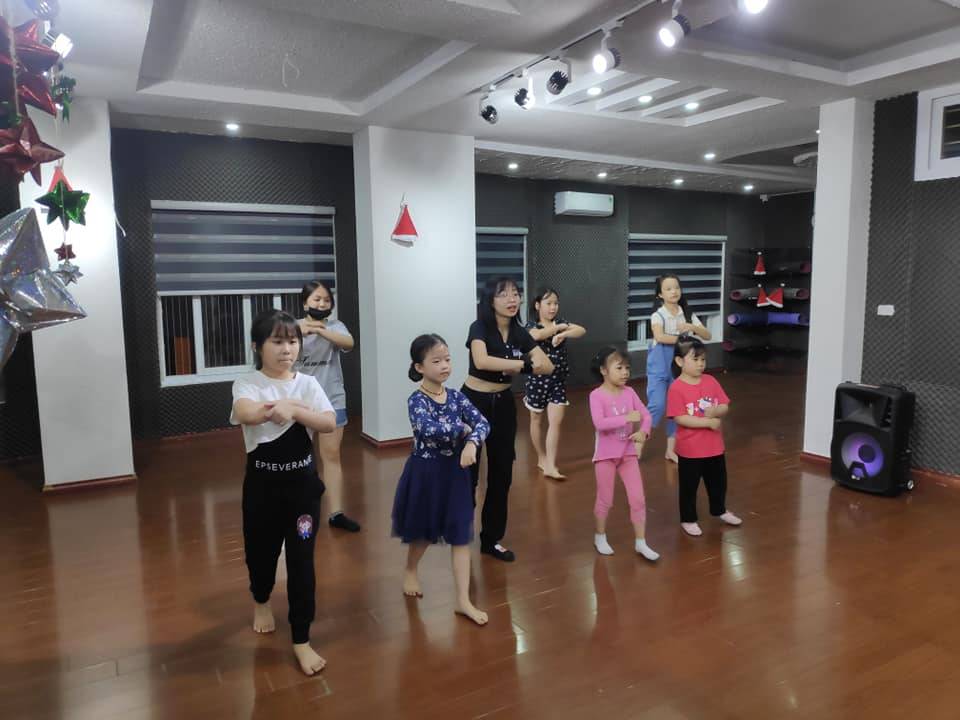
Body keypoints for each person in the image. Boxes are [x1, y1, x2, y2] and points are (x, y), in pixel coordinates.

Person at [230, 309, 337, 676]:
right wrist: (286, 406)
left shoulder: (308, 384)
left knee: (302, 561)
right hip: (262, 492)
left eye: (292, 341)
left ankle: (301, 638)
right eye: (277, 341)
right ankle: (261, 599)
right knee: (261, 555)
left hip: (303, 494)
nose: (286, 349)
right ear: (257, 346)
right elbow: (247, 413)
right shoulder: (248, 383)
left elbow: (328, 421)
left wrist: (293, 408)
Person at [392, 334, 490, 625]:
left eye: (447, 359)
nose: (445, 365)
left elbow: (483, 423)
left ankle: (463, 600)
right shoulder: (417, 400)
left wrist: (472, 443)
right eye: (436, 361)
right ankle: (411, 569)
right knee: (424, 531)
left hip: (456, 473)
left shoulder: (457, 397)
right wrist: (463, 430)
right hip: (426, 473)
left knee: (461, 533)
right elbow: (428, 429)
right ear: (419, 367)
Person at [462, 277, 554, 562]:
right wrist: (523, 364)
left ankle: (491, 539)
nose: (512, 299)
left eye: (515, 294)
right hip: (473, 403)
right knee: (467, 474)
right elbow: (482, 361)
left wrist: (520, 367)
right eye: (504, 295)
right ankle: (460, 535)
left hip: (502, 404)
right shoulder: (480, 327)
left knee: (501, 474)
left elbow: (547, 365)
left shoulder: (519, 333)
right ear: (491, 300)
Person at [297, 280, 361, 532]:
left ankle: (336, 513)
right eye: (316, 299)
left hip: (332, 399)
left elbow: (349, 343)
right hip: (300, 401)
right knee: (300, 459)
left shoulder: (336, 326)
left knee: (332, 456)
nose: (322, 303)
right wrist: (301, 330)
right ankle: (300, 513)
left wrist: (321, 330)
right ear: (305, 303)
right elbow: (276, 343)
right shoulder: (293, 326)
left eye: (326, 300)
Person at [666, 336, 742, 537]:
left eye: (703, 359)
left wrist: (716, 411)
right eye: (695, 359)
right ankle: (688, 518)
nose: (700, 364)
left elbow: (724, 405)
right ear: (679, 361)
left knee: (718, 482)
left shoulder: (711, 381)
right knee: (689, 486)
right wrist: (707, 423)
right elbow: (680, 417)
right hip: (690, 450)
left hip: (714, 446)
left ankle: (719, 510)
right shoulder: (676, 388)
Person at [588, 346, 659, 561]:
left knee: (638, 499)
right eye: (619, 368)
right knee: (605, 499)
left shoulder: (630, 392)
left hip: (628, 454)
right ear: (603, 370)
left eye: (627, 368)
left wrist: (644, 432)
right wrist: (627, 418)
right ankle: (600, 536)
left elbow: (646, 416)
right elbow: (599, 423)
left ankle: (641, 542)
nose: (625, 372)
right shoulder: (596, 396)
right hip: (605, 456)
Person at [646, 274, 712, 463]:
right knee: (657, 405)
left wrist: (692, 327)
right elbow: (660, 336)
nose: (674, 291)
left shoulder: (688, 314)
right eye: (668, 289)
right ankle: (636, 445)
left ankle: (670, 450)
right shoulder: (658, 315)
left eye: (676, 287)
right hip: (659, 366)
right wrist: (685, 340)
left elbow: (707, 335)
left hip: (681, 367)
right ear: (660, 294)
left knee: (678, 408)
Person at [523, 287, 586, 479]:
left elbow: (581, 330)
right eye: (548, 303)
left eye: (556, 303)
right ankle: (541, 457)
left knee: (555, 422)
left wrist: (563, 334)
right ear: (537, 305)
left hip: (557, 381)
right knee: (536, 420)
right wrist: (558, 329)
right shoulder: (530, 325)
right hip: (536, 381)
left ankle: (551, 464)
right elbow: (536, 336)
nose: (553, 307)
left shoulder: (561, 323)